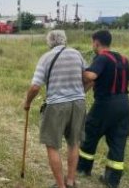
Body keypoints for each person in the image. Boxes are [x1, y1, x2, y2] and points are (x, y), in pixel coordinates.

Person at [23, 30, 87, 188]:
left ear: (49, 42)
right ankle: (71, 181)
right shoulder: (77, 54)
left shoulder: (46, 58)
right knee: (74, 142)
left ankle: (60, 186)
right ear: (64, 40)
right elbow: (90, 77)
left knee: (52, 145)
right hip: (79, 103)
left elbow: (35, 86)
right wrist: (80, 92)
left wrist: (27, 102)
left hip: (56, 105)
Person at [77, 30, 129, 188]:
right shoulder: (123, 58)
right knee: (118, 141)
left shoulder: (102, 58)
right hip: (124, 104)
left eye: (92, 42)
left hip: (105, 104)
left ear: (96, 42)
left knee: (90, 133)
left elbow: (91, 76)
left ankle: (83, 169)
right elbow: (125, 80)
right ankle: (112, 180)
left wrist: (79, 71)